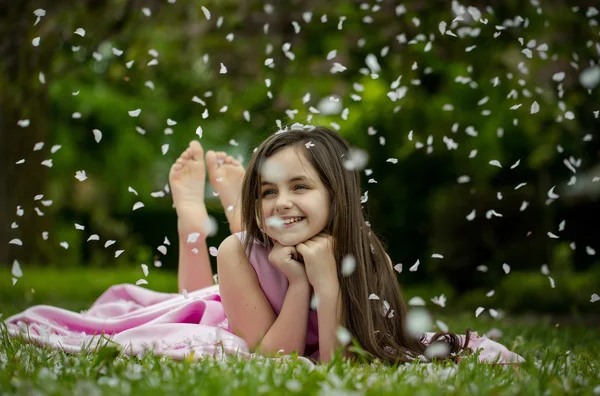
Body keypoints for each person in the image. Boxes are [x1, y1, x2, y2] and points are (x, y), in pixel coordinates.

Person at [4, 125, 524, 365]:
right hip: (241, 315)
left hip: (255, 282)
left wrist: (326, 282)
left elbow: (340, 361)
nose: (284, 200)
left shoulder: (368, 254)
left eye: (300, 187)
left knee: (231, 260)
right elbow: (275, 357)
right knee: (200, 294)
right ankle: (194, 214)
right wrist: (299, 283)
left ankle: (236, 204)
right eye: (269, 191)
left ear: (337, 192)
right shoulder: (240, 255)